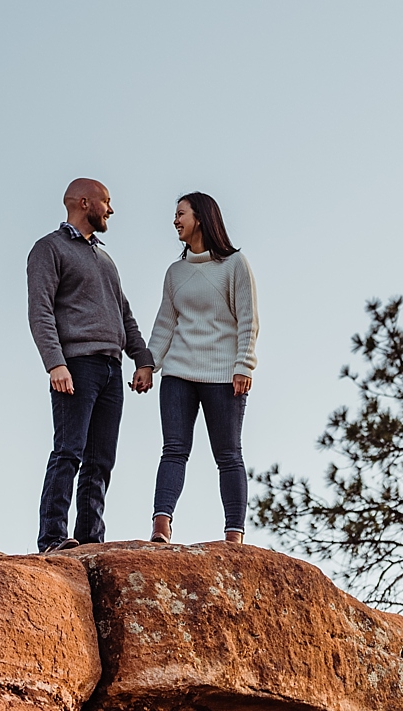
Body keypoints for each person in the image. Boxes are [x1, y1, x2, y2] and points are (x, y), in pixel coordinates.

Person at [26, 177, 155, 553]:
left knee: (101, 461)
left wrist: (142, 359)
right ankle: (52, 538)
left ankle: (89, 542)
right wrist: (55, 363)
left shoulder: (105, 259)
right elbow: (40, 311)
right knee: (69, 451)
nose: (111, 209)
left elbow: (124, 314)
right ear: (84, 203)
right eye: (106, 201)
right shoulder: (49, 248)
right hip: (76, 366)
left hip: (112, 369)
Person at [147, 190, 259, 544]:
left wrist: (244, 365)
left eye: (181, 214)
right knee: (173, 450)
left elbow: (248, 320)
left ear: (201, 217)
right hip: (178, 374)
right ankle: (161, 525)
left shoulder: (234, 265)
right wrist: (149, 365)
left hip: (223, 375)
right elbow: (165, 324)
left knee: (229, 455)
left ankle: (234, 534)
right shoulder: (175, 272)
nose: (175, 221)